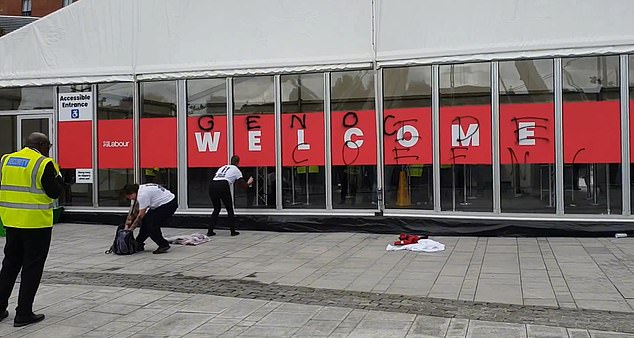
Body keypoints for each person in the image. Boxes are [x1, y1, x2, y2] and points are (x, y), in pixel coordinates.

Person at [0, 132, 63, 327]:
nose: (49, 149)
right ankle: (23, 313)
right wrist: (60, 178)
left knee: (9, 265)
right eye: (49, 146)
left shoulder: (6, 159)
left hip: (11, 221)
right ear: (42, 145)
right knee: (32, 267)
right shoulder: (44, 163)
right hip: (36, 224)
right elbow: (54, 192)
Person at [123, 183, 177, 254]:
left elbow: (140, 216)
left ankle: (163, 245)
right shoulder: (140, 189)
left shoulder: (142, 195)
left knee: (151, 225)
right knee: (146, 221)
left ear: (132, 193)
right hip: (162, 203)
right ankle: (138, 244)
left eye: (129, 197)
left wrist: (130, 230)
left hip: (168, 204)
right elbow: (134, 211)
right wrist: (127, 225)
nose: (130, 199)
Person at [208, 155, 253, 237]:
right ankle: (233, 231)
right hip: (223, 185)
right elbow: (243, 186)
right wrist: (249, 182)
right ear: (238, 163)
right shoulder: (236, 170)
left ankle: (210, 231)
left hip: (212, 185)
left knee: (216, 208)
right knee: (229, 209)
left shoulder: (223, 167)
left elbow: (217, 176)